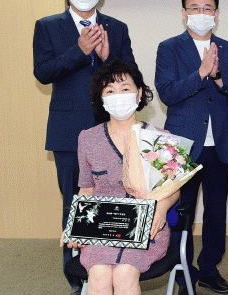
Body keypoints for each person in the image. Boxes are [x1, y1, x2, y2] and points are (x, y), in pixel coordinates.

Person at [33, 0, 136, 294]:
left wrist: (107, 58)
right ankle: (77, 278)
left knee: (115, 200)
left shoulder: (116, 28)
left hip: (114, 131)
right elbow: (43, 72)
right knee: (75, 204)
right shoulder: (47, 26)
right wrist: (80, 51)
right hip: (68, 131)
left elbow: (131, 76)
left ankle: (112, 266)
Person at [155, 0, 228, 294]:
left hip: (220, 142)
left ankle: (209, 269)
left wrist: (218, 76)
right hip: (182, 146)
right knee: (181, 212)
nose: (201, 13)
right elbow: (167, 93)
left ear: (216, 13)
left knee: (216, 211)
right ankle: (183, 271)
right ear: (184, 14)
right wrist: (200, 73)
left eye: (207, 8)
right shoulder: (169, 48)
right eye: (194, 8)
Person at [61, 59, 178, 295]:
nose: (118, 96)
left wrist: (162, 209)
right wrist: (75, 225)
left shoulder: (161, 137)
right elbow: (86, 189)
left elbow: (173, 188)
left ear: (139, 93)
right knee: (99, 273)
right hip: (100, 228)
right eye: (110, 91)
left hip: (146, 227)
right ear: (101, 98)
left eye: (125, 88)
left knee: (125, 272)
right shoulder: (88, 138)